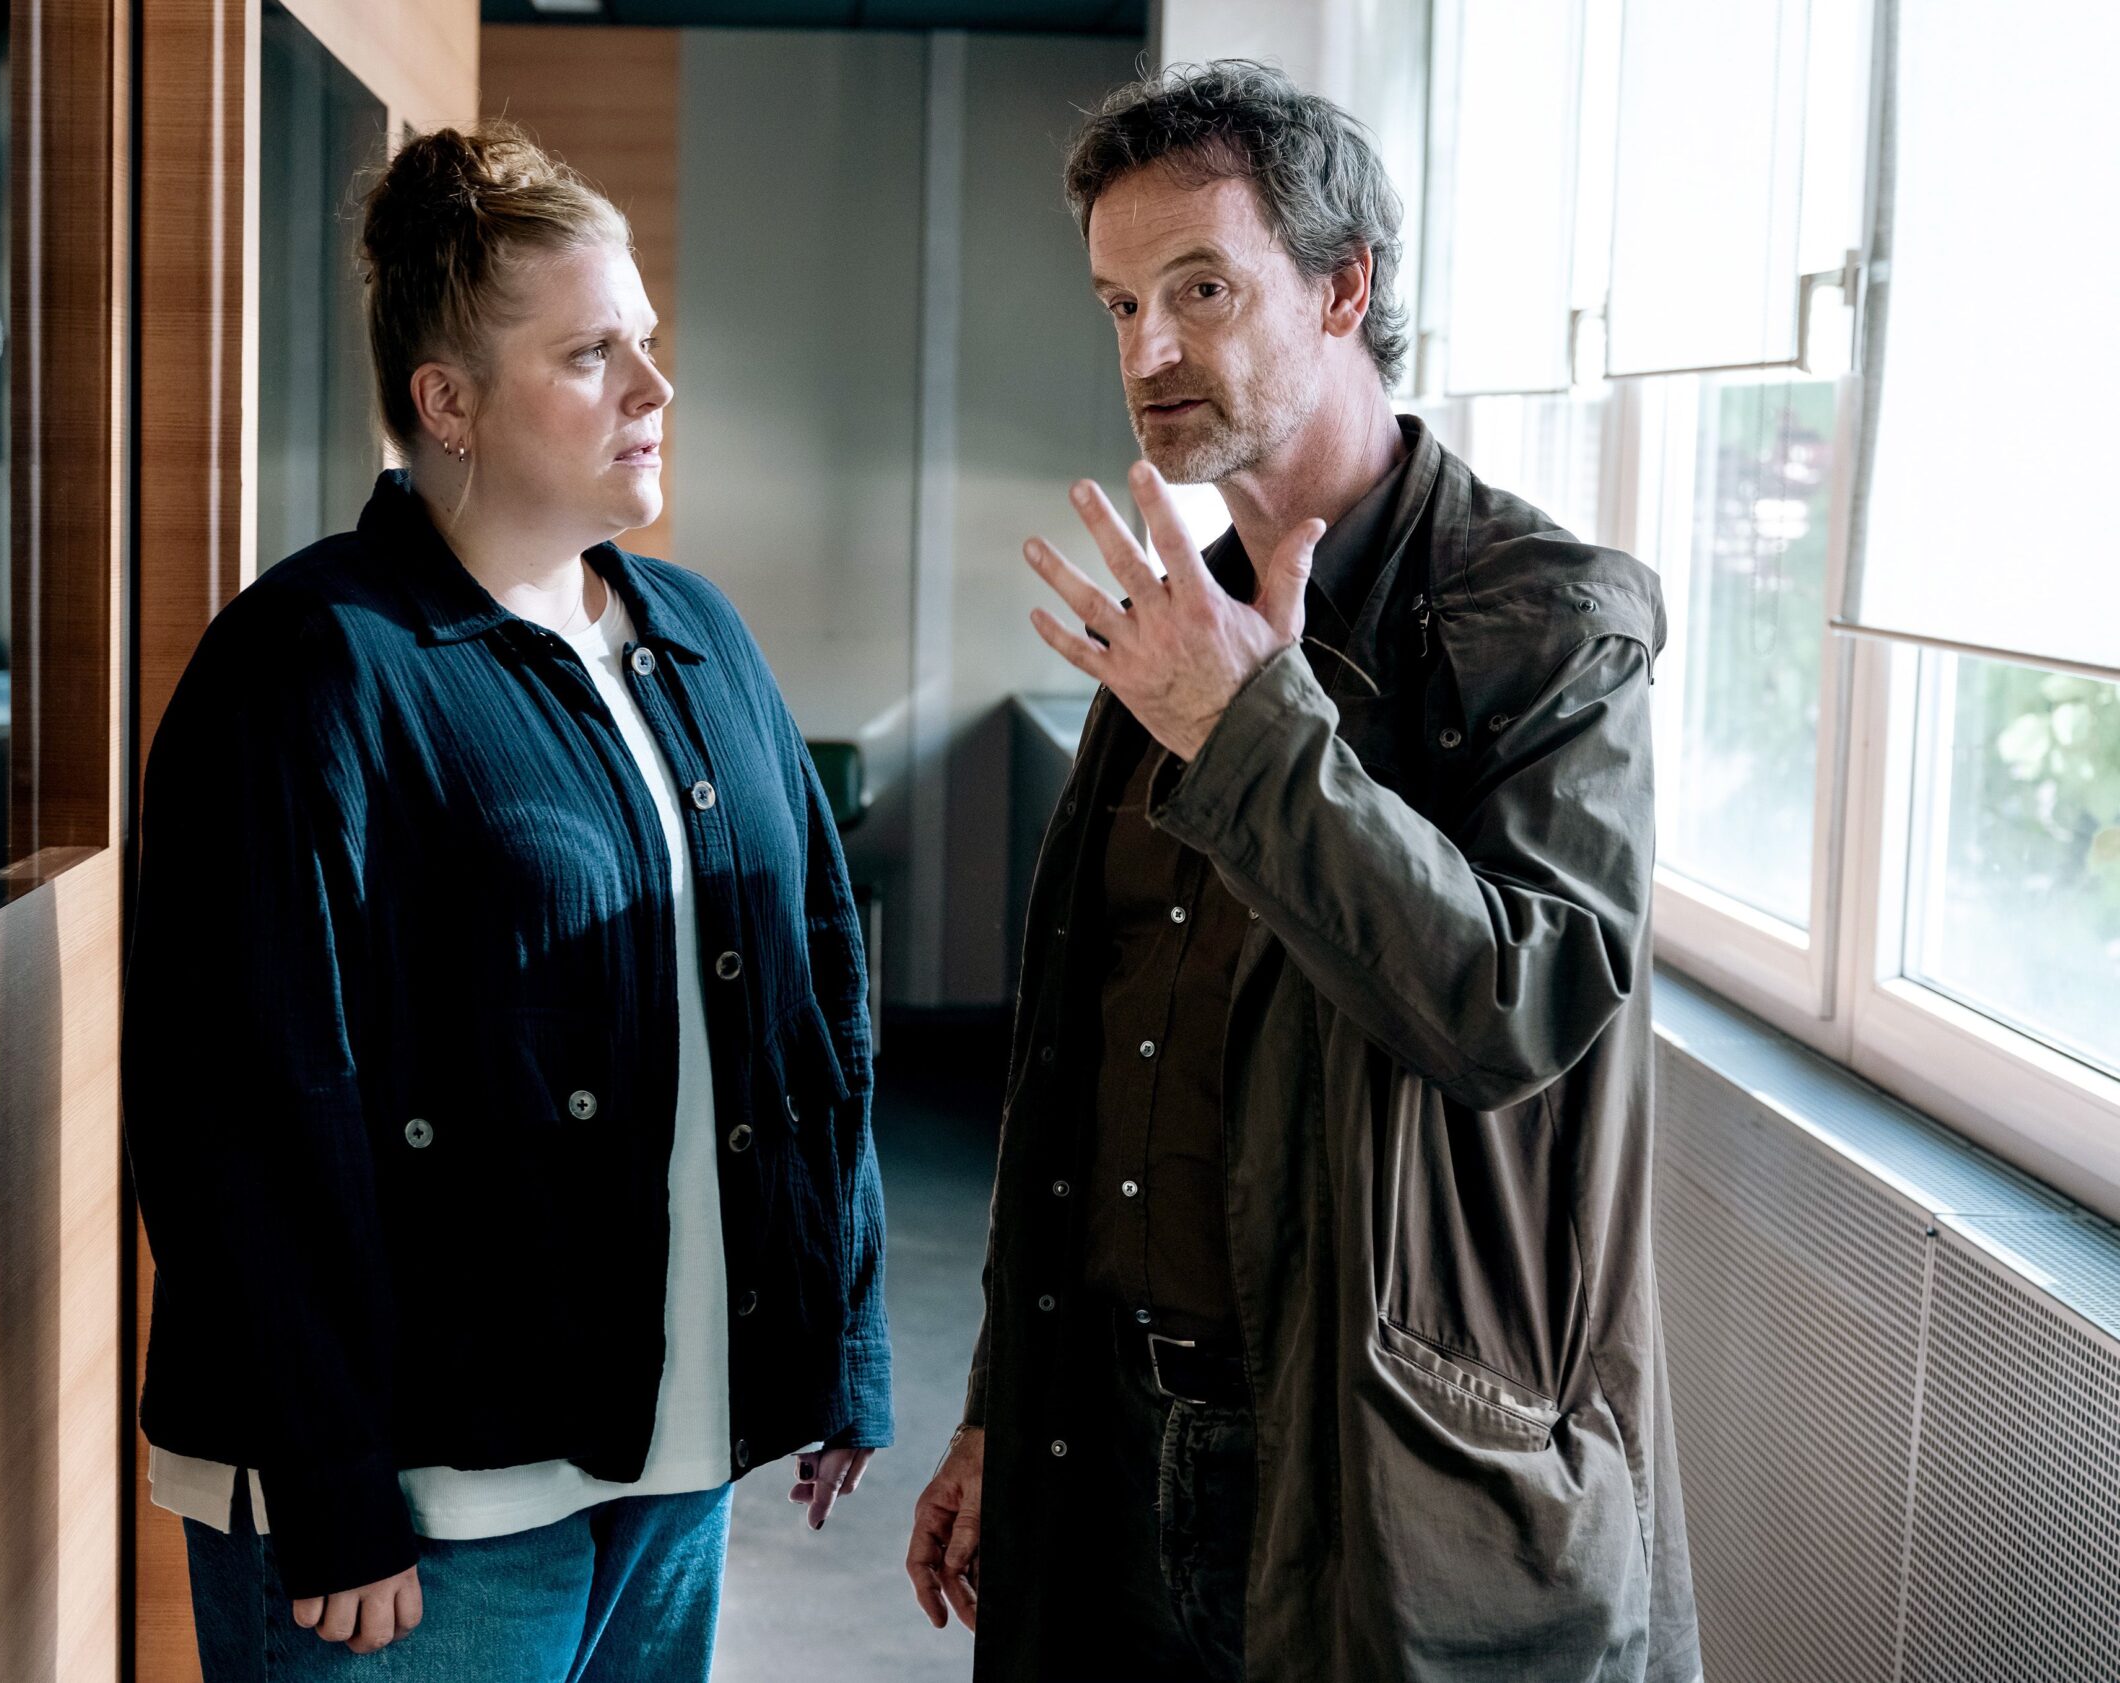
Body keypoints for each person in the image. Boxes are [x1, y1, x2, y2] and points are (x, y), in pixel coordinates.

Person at [906, 61, 1699, 1683]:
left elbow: (1513, 1008)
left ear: (1344, 290)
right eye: (1120, 302)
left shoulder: (1547, 619)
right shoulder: (1177, 621)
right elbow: (1080, 1070)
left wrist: (1251, 730)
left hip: (1367, 1460)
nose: (1148, 351)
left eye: (1201, 289)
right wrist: (1001, 1405)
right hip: (1109, 1436)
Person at [124, 121, 890, 1681]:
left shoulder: (700, 637)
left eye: (646, 344)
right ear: (447, 402)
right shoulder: (310, 666)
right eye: (592, 355)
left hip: (670, 1462)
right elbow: (242, 1113)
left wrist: (841, 1339)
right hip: (415, 1512)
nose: (652, 390)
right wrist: (333, 1484)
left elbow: (818, 1009)